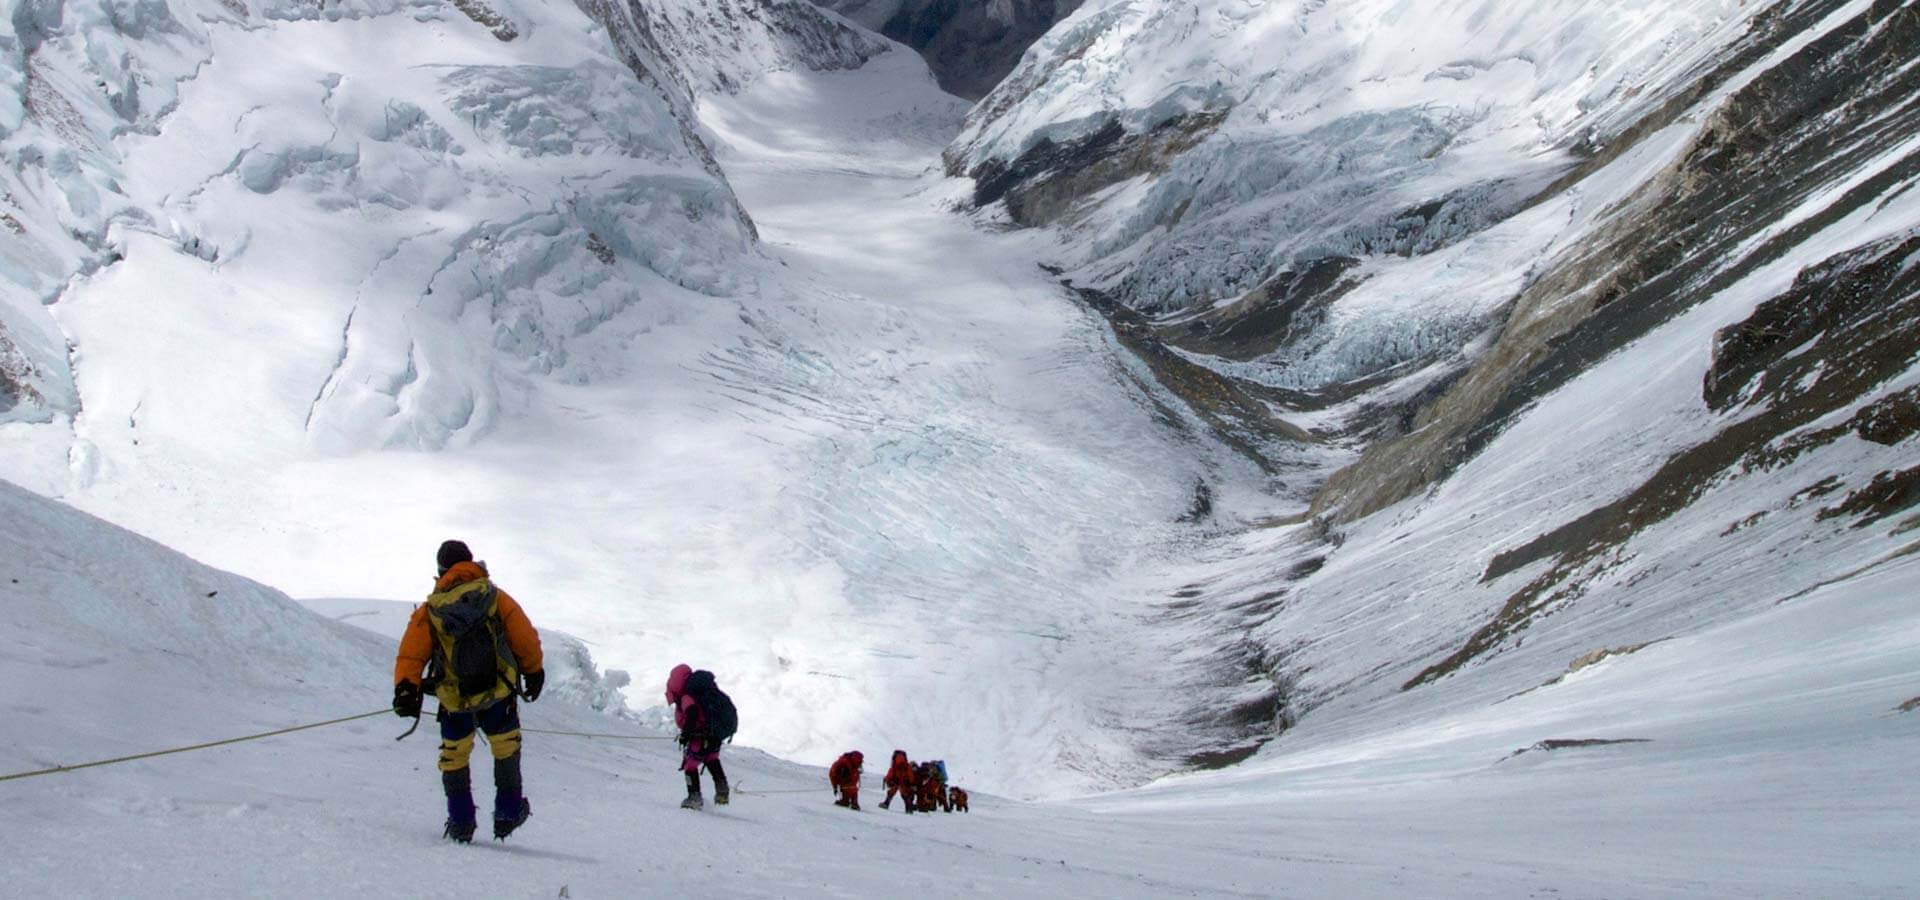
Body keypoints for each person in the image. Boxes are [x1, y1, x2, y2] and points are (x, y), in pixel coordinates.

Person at [393, 540, 545, 843]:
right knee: (506, 747)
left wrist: (406, 689)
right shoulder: (495, 597)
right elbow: (524, 636)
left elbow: (411, 654)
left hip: (454, 696)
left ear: (440, 570)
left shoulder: (431, 609)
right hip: (497, 691)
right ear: (471, 563)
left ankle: (461, 822)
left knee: (454, 755)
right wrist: (533, 670)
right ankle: (508, 812)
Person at [666, 664, 730, 809]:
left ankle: (694, 797)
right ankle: (722, 789)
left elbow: (692, 712)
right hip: (714, 734)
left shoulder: (687, 697)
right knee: (712, 759)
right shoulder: (703, 692)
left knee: (690, 765)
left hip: (699, 737)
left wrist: (686, 734)